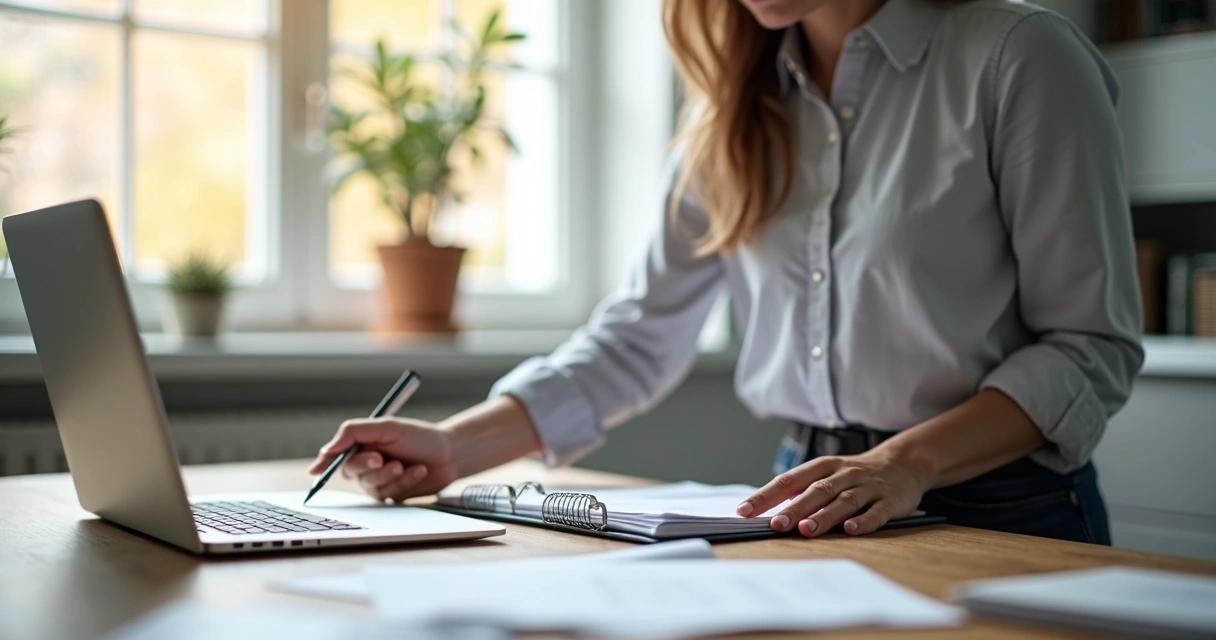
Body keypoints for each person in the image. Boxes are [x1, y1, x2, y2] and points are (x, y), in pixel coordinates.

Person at [310, 0, 1143, 544]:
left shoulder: (1019, 57)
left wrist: (905, 464)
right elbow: (636, 338)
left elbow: (1088, 347)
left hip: (1003, 509)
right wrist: (453, 447)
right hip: (799, 504)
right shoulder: (733, 112)